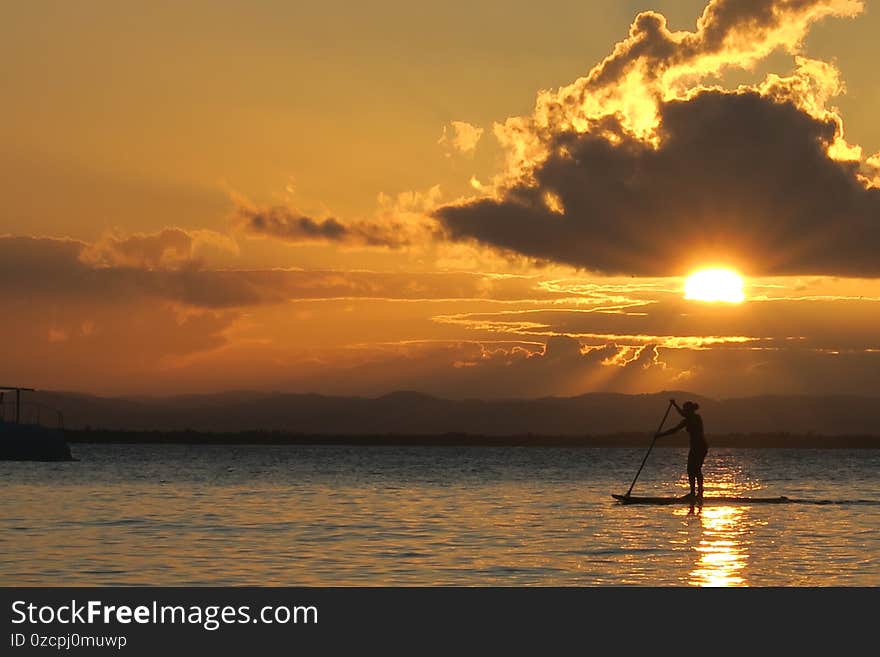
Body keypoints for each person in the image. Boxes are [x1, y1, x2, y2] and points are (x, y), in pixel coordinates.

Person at [655, 399, 708, 499]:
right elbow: (674, 430)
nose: (684, 412)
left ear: (690, 410)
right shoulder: (686, 420)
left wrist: (675, 405)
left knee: (696, 469)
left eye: (685, 410)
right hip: (695, 447)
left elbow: (683, 415)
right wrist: (660, 435)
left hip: (700, 447)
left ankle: (699, 493)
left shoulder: (696, 418)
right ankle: (693, 493)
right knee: (691, 469)